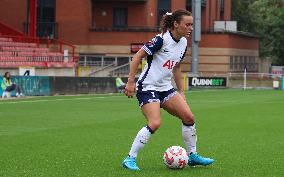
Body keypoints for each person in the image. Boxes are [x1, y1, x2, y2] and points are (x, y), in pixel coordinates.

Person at [122, 9, 214, 170]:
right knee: (155, 123)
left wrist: (181, 91)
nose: (191, 28)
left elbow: (177, 67)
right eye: (187, 24)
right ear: (176, 24)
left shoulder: (184, 42)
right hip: (148, 87)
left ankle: (192, 156)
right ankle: (130, 159)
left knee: (189, 117)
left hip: (166, 88)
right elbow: (137, 56)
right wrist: (131, 82)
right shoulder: (161, 40)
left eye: (192, 24)